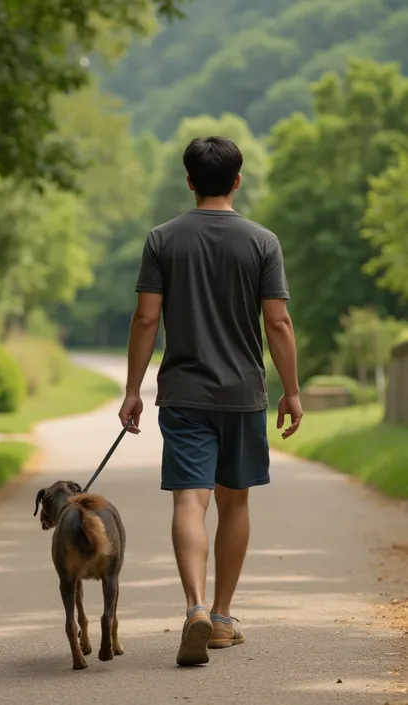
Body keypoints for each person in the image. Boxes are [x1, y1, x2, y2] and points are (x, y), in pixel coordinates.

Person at [118, 136, 302, 667]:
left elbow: (146, 319)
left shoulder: (162, 239)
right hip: (243, 395)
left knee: (188, 500)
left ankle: (194, 605)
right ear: (237, 181)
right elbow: (278, 322)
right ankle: (221, 617)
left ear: (190, 180)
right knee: (234, 501)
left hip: (183, 394)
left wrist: (133, 390)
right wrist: (290, 391)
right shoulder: (262, 242)